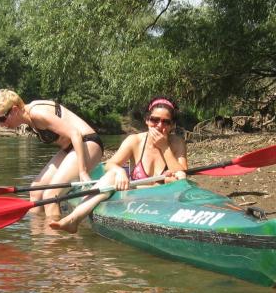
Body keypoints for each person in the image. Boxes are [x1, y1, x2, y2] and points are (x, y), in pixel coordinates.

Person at [50, 96, 187, 233]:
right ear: (147, 120)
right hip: (136, 194)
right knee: (113, 175)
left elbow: (183, 176)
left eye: (166, 122)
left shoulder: (177, 143)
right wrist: (120, 171)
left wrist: (164, 148)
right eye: (155, 120)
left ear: (172, 125)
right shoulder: (134, 141)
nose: (159, 126)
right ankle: (74, 219)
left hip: (164, 198)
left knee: (179, 175)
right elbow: (110, 165)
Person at [0, 89, 104, 217]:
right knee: (35, 192)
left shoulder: (37, 113)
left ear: (14, 110)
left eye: (2, 118)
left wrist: (83, 171)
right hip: (70, 148)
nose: (1, 124)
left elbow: (75, 133)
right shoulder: (29, 118)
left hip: (87, 143)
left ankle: (55, 230)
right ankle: (39, 230)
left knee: (50, 195)